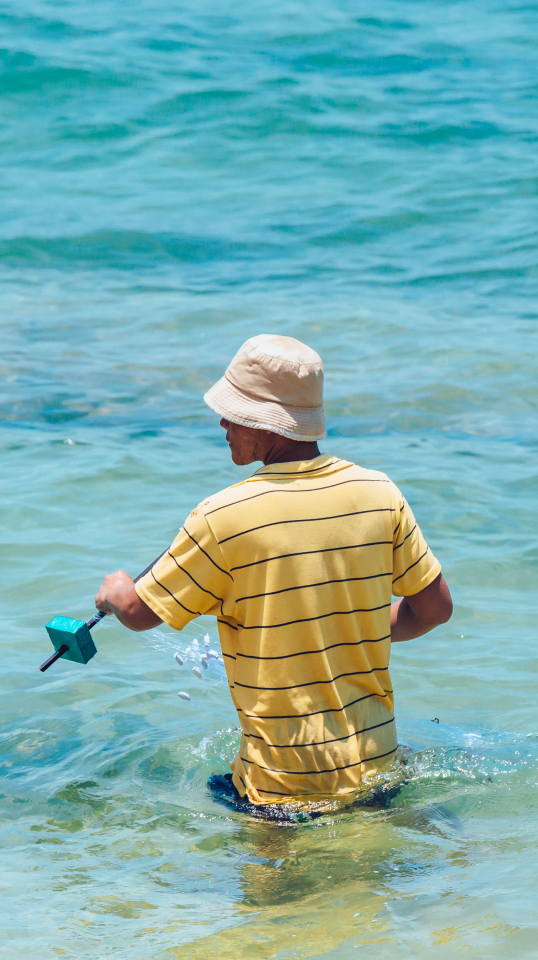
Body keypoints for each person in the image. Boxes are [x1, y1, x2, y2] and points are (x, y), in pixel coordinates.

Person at [94, 334, 453, 817]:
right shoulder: (379, 492)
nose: (222, 422)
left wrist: (117, 592)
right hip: (377, 770)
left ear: (268, 425)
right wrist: (349, 629)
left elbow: (140, 615)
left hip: (281, 792)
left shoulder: (220, 516)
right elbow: (435, 609)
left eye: (235, 412)